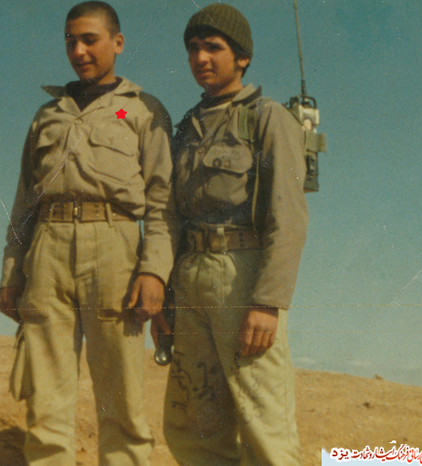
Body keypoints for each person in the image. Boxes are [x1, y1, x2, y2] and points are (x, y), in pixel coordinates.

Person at [0, 2, 177, 465]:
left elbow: (163, 203)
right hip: (47, 249)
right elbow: (24, 202)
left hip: (115, 248)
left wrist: (155, 271)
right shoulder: (47, 116)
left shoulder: (142, 110)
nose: (78, 51)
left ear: (118, 43)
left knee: (121, 395)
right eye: (70, 41)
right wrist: (11, 272)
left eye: (89, 40)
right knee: (45, 397)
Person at [152, 3, 309, 465]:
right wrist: (166, 296)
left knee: (265, 426)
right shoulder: (186, 128)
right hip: (190, 278)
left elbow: (289, 216)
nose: (200, 58)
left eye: (213, 47)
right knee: (193, 425)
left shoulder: (267, 117)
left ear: (242, 57)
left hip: (243, 278)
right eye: (193, 48)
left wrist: (268, 302)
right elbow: (171, 217)